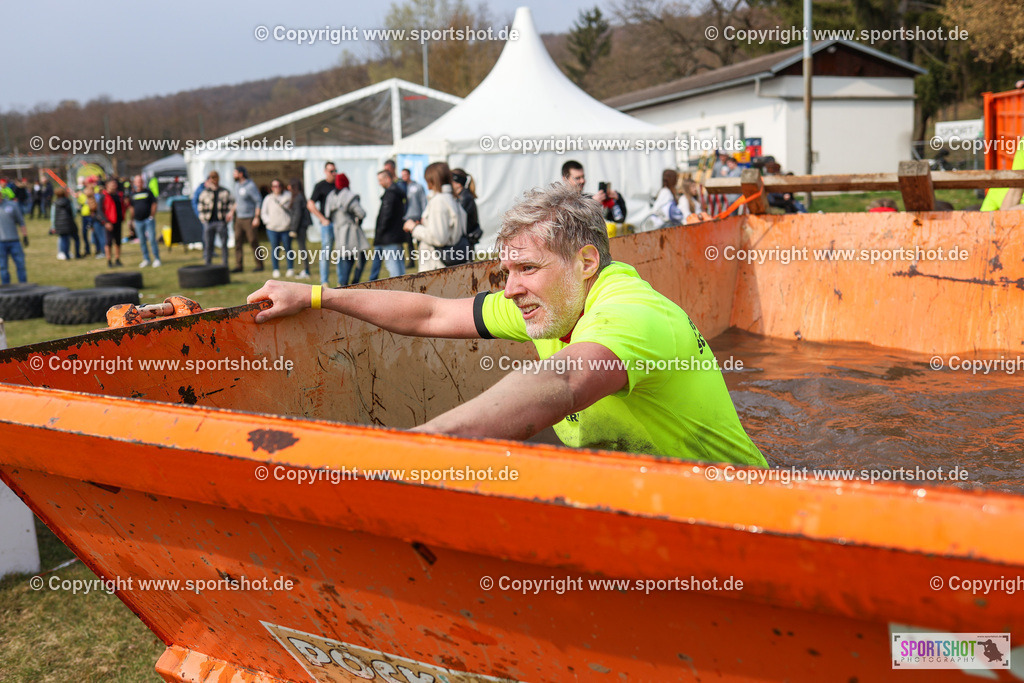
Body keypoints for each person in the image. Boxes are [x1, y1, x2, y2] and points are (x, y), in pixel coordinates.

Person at [247, 182, 766, 466]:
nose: (511, 288)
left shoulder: (634, 313)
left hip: (743, 516)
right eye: (508, 270)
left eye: (528, 269)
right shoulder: (551, 304)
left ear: (586, 263)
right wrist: (318, 295)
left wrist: (410, 451)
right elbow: (429, 314)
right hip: (651, 496)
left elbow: (562, 381)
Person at [403, 162, 467, 272]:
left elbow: (439, 238)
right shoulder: (451, 198)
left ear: (432, 179)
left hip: (436, 266)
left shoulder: (439, 201)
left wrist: (414, 228)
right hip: (445, 265)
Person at [324, 172, 368, 286]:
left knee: (345, 259)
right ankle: (352, 283)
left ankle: (343, 283)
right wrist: (357, 219)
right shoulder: (348, 195)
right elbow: (361, 213)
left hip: (338, 231)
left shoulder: (331, 196)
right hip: (351, 231)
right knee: (360, 257)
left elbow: (327, 214)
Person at [560, 160, 627, 222]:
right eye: (577, 178)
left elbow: (617, 220)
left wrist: (616, 200)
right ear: (565, 179)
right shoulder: (558, 201)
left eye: (583, 177)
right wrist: (591, 203)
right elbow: (570, 222)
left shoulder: (588, 198)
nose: (582, 181)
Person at [370, 170, 407, 280]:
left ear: (388, 179)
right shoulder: (397, 192)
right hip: (396, 234)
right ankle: (405, 287)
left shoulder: (390, 194)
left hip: (389, 236)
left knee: (393, 265)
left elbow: (386, 216)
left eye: (381, 180)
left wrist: (380, 232)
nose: (379, 183)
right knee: (399, 264)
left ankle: (398, 289)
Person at [308, 162, 339, 287]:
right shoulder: (321, 185)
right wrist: (322, 219)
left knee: (342, 252)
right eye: (331, 171)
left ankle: (341, 280)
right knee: (326, 252)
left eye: (335, 170)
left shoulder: (339, 185)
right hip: (327, 225)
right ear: (325, 171)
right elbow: (310, 204)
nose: (333, 173)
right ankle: (324, 281)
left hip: (340, 224)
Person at [227, 166, 263, 273]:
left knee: (253, 241)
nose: (234, 175)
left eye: (235, 173)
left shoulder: (250, 186)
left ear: (241, 174)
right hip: (239, 218)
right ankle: (239, 266)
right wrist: (231, 212)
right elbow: (237, 201)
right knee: (237, 242)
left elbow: (258, 201)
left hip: (249, 218)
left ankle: (259, 265)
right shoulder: (237, 185)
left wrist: (256, 217)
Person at [197, 171, 234, 266]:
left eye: (215, 177)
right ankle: (208, 264)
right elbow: (200, 205)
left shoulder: (224, 191)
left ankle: (225, 264)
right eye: (212, 178)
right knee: (208, 244)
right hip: (209, 222)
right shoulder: (205, 192)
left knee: (224, 244)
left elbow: (232, 203)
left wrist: (230, 213)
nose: (214, 180)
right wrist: (202, 218)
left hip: (221, 222)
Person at [261, 179, 293, 278]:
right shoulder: (268, 198)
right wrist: (268, 222)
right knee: (275, 249)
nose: (277, 188)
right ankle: (276, 269)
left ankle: (290, 268)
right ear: (271, 188)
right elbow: (264, 212)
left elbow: (292, 209)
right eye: (274, 186)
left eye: (278, 186)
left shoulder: (288, 196)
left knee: (288, 249)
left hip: (285, 227)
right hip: (272, 228)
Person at [128, 175, 161, 267]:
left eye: (140, 181)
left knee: (152, 239)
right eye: (137, 181)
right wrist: (131, 220)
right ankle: (146, 259)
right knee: (142, 241)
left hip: (148, 220)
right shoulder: (132, 194)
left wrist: (151, 216)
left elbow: (154, 204)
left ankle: (156, 258)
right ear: (134, 183)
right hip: (138, 221)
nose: (139, 183)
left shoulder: (148, 192)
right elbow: (131, 207)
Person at [0, 191, 28, 284]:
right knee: (3, 267)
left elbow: (21, 222)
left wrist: (25, 236)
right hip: (0, 243)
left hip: (14, 241)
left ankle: (23, 285)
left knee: (20, 265)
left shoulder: (12, 205)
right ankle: (6, 289)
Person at [287, 178, 312, 279]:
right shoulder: (299, 196)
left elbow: (297, 215)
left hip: (300, 227)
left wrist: (293, 229)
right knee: (302, 249)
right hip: (302, 226)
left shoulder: (298, 198)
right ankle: (305, 270)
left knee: (302, 249)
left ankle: (306, 270)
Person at [451, 168, 483, 245]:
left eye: (450, 181)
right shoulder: (462, 196)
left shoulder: (464, 198)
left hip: (466, 241)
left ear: (458, 184)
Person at [400, 168, 423, 267]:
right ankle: (412, 262)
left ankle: (422, 259)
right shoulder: (401, 187)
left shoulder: (417, 187)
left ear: (409, 175)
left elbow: (423, 201)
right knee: (409, 243)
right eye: (402, 175)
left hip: (416, 216)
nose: (403, 177)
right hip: (406, 217)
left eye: (405, 175)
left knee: (419, 241)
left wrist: (422, 216)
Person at [100, 177, 125, 267]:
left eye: (115, 184)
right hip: (109, 222)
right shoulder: (104, 196)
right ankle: (109, 260)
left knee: (118, 241)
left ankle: (117, 259)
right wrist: (106, 222)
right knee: (109, 242)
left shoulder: (119, 195)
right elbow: (100, 210)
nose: (114, 185)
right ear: (107, 185)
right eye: (112, 184)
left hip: (118, 221)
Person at [51, 187, 81, 260]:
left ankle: (66, 255)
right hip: (70, 223)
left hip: (60, 224)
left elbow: (53, 216)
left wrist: (53, 226)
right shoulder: (68, 202)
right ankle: (77, 254)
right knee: (76, 238)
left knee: (64, 239)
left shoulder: (55, 203)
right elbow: (74, 213)